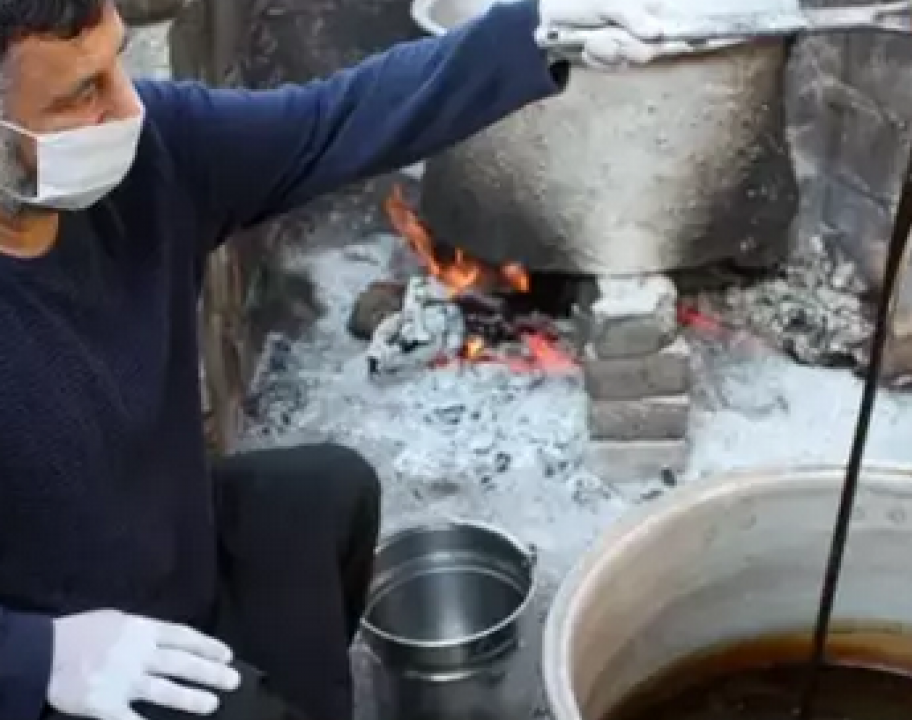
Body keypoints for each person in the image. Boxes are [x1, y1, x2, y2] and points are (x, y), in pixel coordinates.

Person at [0, 0, 667, 719]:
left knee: (324, 494)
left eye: (117, 63)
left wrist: (528, 33)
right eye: (80, 94)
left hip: (169, 557)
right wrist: (36, 658)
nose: (127, 108)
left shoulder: (152, 153)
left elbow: (332, 118)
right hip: (80, 664)